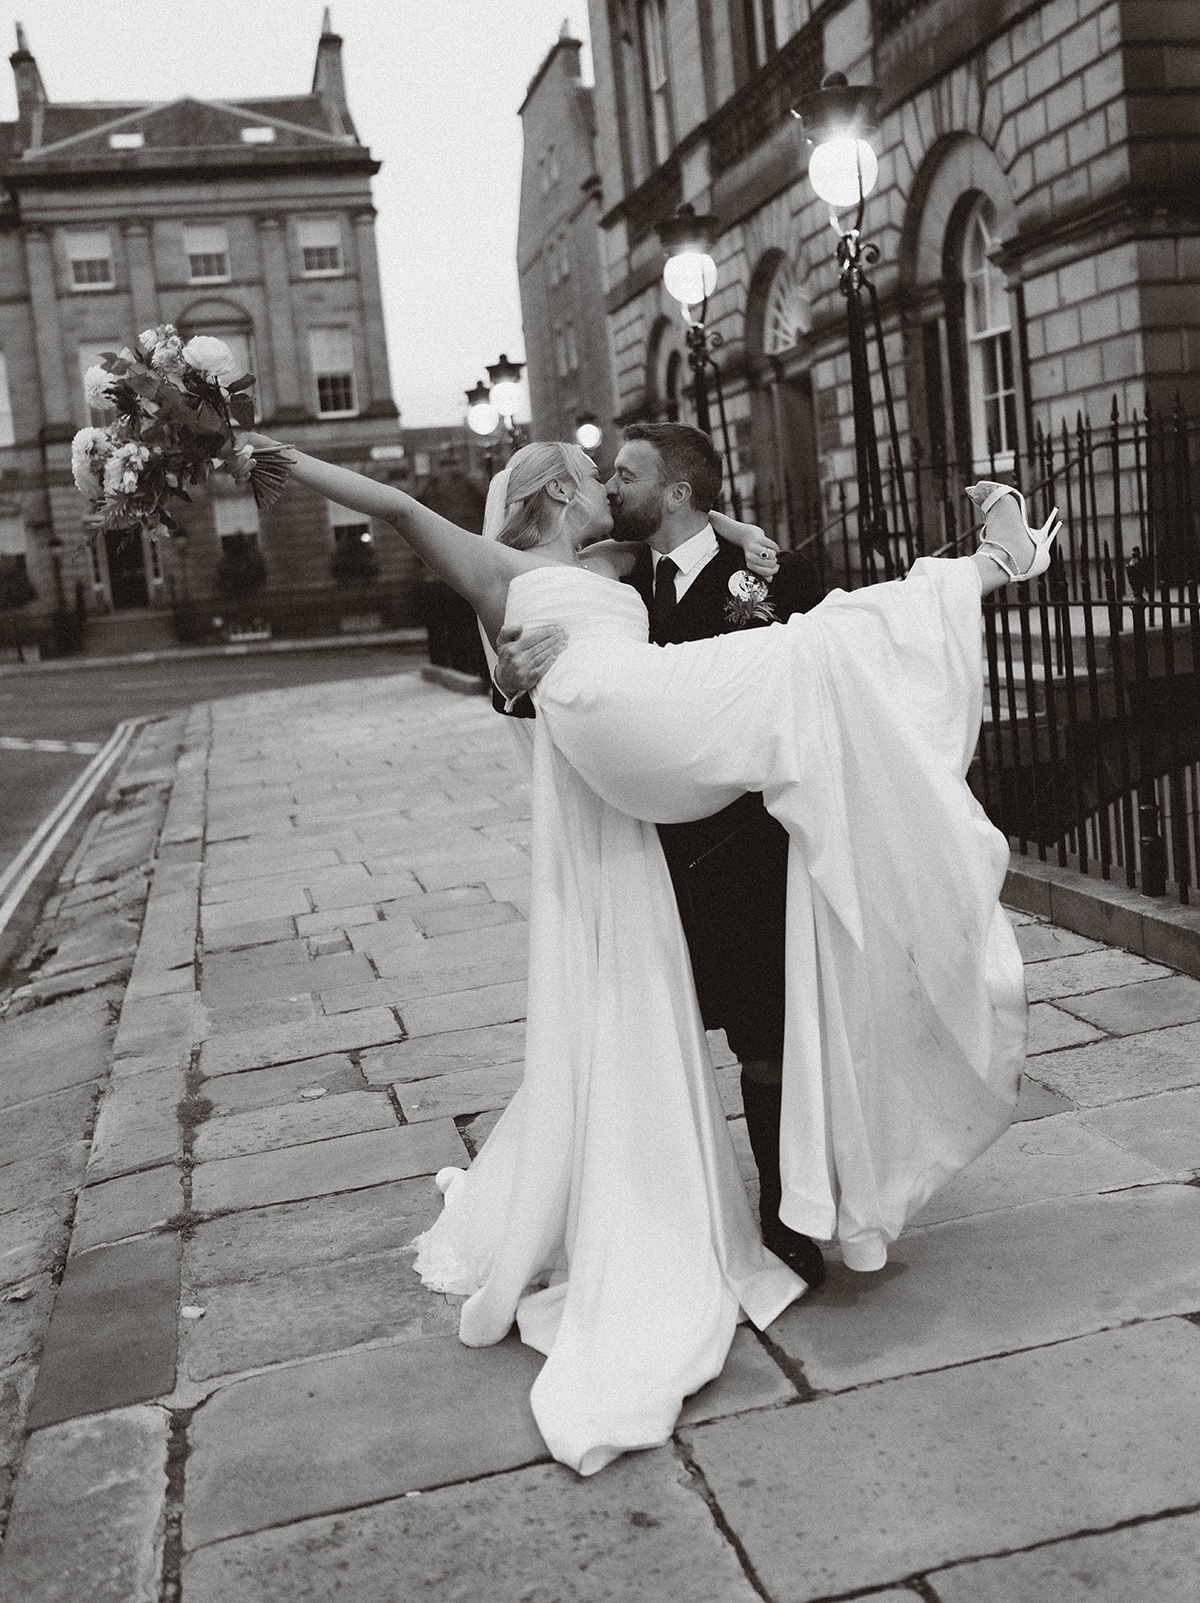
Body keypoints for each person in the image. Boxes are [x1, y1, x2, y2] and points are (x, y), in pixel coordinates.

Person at [233, 428, 1056, 1475]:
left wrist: (744, 530)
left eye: (619, 474)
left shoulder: (624, 565)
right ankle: (988, 567)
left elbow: (701, 529)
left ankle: (983, 569)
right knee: (819, 653)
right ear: (551, 497)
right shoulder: (503, 571)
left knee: (819, 646)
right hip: (625, 728)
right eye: (590, 477)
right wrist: (281, 461)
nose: (605, 487)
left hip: (678, 766)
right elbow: (397, 512)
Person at [491, 423, 827, 1288]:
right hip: (640, 854)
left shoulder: (769, 577)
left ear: (675, 492)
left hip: (747, 852)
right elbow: (560, 683)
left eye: (628, 474)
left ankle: (785, 1213)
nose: (612, 483)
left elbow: (813, 690)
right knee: (647, 1042)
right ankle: (656, 1223)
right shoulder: (616, 578)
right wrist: (512, 676)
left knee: (766, 1041)